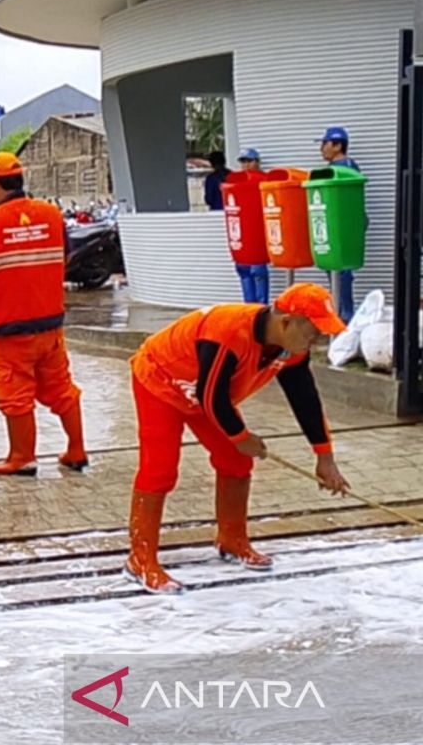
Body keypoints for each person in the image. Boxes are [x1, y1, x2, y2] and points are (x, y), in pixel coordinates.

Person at [125, 283, 351, 593]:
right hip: (161, 383)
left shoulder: (291, 349)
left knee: (236, 460)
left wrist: (324, 457)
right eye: (314, 331)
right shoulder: (228, 332)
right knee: (160, 469)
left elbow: (305, 398)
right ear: (287, 323)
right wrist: (241, 435)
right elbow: (211, 396)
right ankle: (140, 558)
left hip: (204, 394)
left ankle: (232, 540)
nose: (319, 340)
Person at [0, 153, 87, 476]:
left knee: (14, 392)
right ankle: (76, 449)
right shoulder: (51, 214)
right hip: (50, 324)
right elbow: (67, 258)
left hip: (10, 328)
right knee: (60, 386)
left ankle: (22, 457)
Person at [318, 126, 362, 323]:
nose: (321, 148)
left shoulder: (343, 168)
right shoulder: (347, 166)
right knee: (336, 268)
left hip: (342, 223)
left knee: (341, 269)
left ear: (337, 145)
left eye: (324, 143)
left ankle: (345, 315)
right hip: (341, 223)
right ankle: (341, 312)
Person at [233, 147, 270, 304]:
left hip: (257, 231)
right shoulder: (236, 181)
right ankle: (249, 307)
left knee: (258, 270)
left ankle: (261, 306)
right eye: (243, 161)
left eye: (249, 161)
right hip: (242, 231)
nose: (246, 165)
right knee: (244, 270)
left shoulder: (264, 179)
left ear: (257, 162)